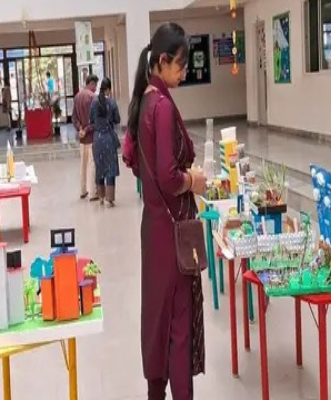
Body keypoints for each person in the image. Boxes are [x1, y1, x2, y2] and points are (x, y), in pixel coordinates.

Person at [122, 23, 207, 400]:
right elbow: (168, 176)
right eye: (180, 64)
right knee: (178, 324)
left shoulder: (144, 100)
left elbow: (138, 164)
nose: (184, 71)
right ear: (161, 60)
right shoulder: (162, 107)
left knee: (156, 319)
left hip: (154, 227)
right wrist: (194, 180)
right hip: (174, 234)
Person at [90, 77, 121, 207]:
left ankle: (101, 197)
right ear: (108, 89)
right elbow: (117, 119)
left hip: (97, 139)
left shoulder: (94, 103)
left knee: (100, 167)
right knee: (110, 168)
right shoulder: (112, 103)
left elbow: (91, 120)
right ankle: (110, 198)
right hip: (108, 137)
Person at [72, 74, 98, 200]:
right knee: (92, 164)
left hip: (82, 138)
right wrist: (87, 130)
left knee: (83, 164)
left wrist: (80, 129)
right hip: (91, 137)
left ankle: (83, 190)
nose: (96, 88)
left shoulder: (77, 97)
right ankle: (93, 192)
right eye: (95, 85)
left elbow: (74, 118)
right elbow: (95, 120)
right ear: (91, 83)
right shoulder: (93, 98)